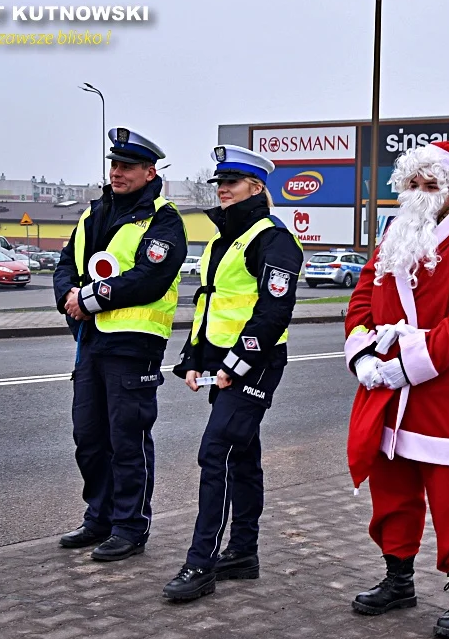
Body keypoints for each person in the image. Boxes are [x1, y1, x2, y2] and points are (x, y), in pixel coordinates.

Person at [343, 141, 449, 639]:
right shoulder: (396, 233)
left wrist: (408, 366)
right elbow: (363, 296)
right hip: (386, 384)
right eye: (411, 184)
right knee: (389, 483)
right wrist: (364, 354)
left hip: (443, 387)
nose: (418, 193)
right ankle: (398, 579)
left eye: (429, 184)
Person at [163, 145, 303, 603]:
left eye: (232, 183)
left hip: (256, 363)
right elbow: (210, 304)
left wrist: (233, 366)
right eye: (219, 183)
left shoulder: (272, 237)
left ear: (257, 188)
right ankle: (243, 553)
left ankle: (201, 562)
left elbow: (272, 312)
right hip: (222, 365)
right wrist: (194, 361)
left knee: (215, 453)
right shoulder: (224, 238)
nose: (222, 190)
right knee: (242, 455)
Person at [53, 127, 187, 562]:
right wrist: (67, 298)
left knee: (127, 440)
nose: (117, 172)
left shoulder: (164, 219)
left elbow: (150, 278)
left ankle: (130, 526)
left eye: (127, 166)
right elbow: (64, 265)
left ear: (150, 172)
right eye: (114, 165)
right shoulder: (93, 215)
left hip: (134, 344)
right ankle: (100, 517)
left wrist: (87, 300)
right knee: (88, 437)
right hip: (91, 343)